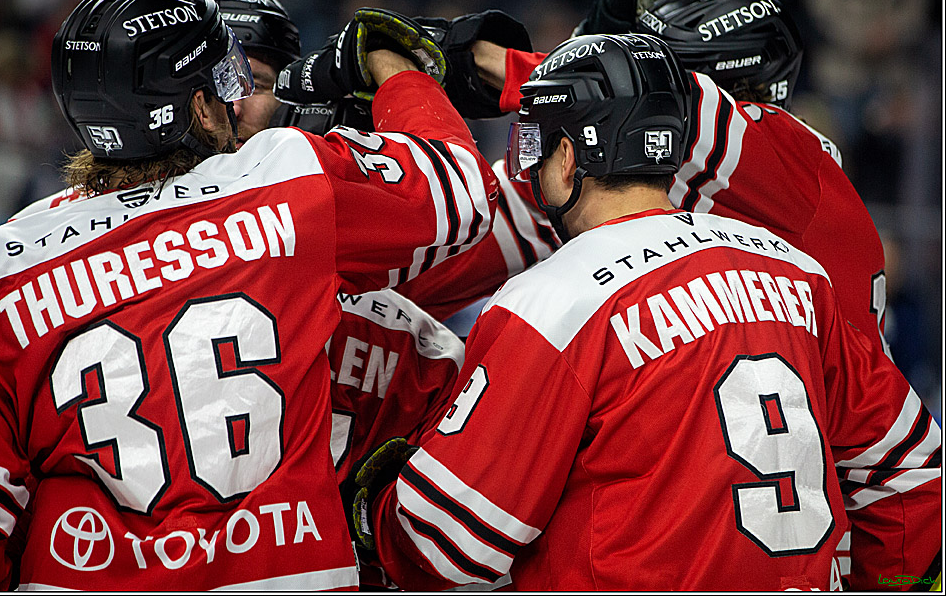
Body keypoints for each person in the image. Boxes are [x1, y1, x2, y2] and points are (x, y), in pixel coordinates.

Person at [0, 0, 496, 591]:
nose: (239, 100)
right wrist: (393, 67)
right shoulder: (284, 174)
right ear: (199, 109)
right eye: (226, 82)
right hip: (285, 574)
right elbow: (462, 188)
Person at [346, 33, 941, 591]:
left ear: (571, 156)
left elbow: (449, 540)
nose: (529, 169)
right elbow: (914, 480)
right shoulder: (796, 272)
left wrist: (376, 512)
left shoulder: (554, 303)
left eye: (535, 145)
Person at [395, 0, 891, 364]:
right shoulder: (635, 183)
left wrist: (464, 56)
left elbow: (629, 99)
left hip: (819, 449)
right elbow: (437, 261)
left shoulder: (796, 163)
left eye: (649, 70)